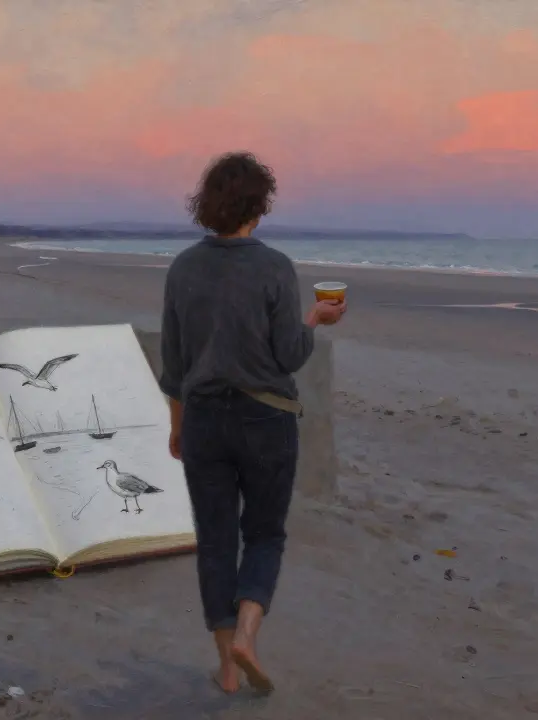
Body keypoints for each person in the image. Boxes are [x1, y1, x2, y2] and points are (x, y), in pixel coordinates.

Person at [159, 152, 346, 694]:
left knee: (216, 541)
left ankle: (225, 666)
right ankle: (246, 634)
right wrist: (316, 318)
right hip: (267, 418)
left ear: (208, 205)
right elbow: (288, 354)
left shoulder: (184, 268)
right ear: (258, 207)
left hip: (203, 421)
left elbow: (174, 365)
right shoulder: (273, 267)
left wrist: (178, 425)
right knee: (264, 533)